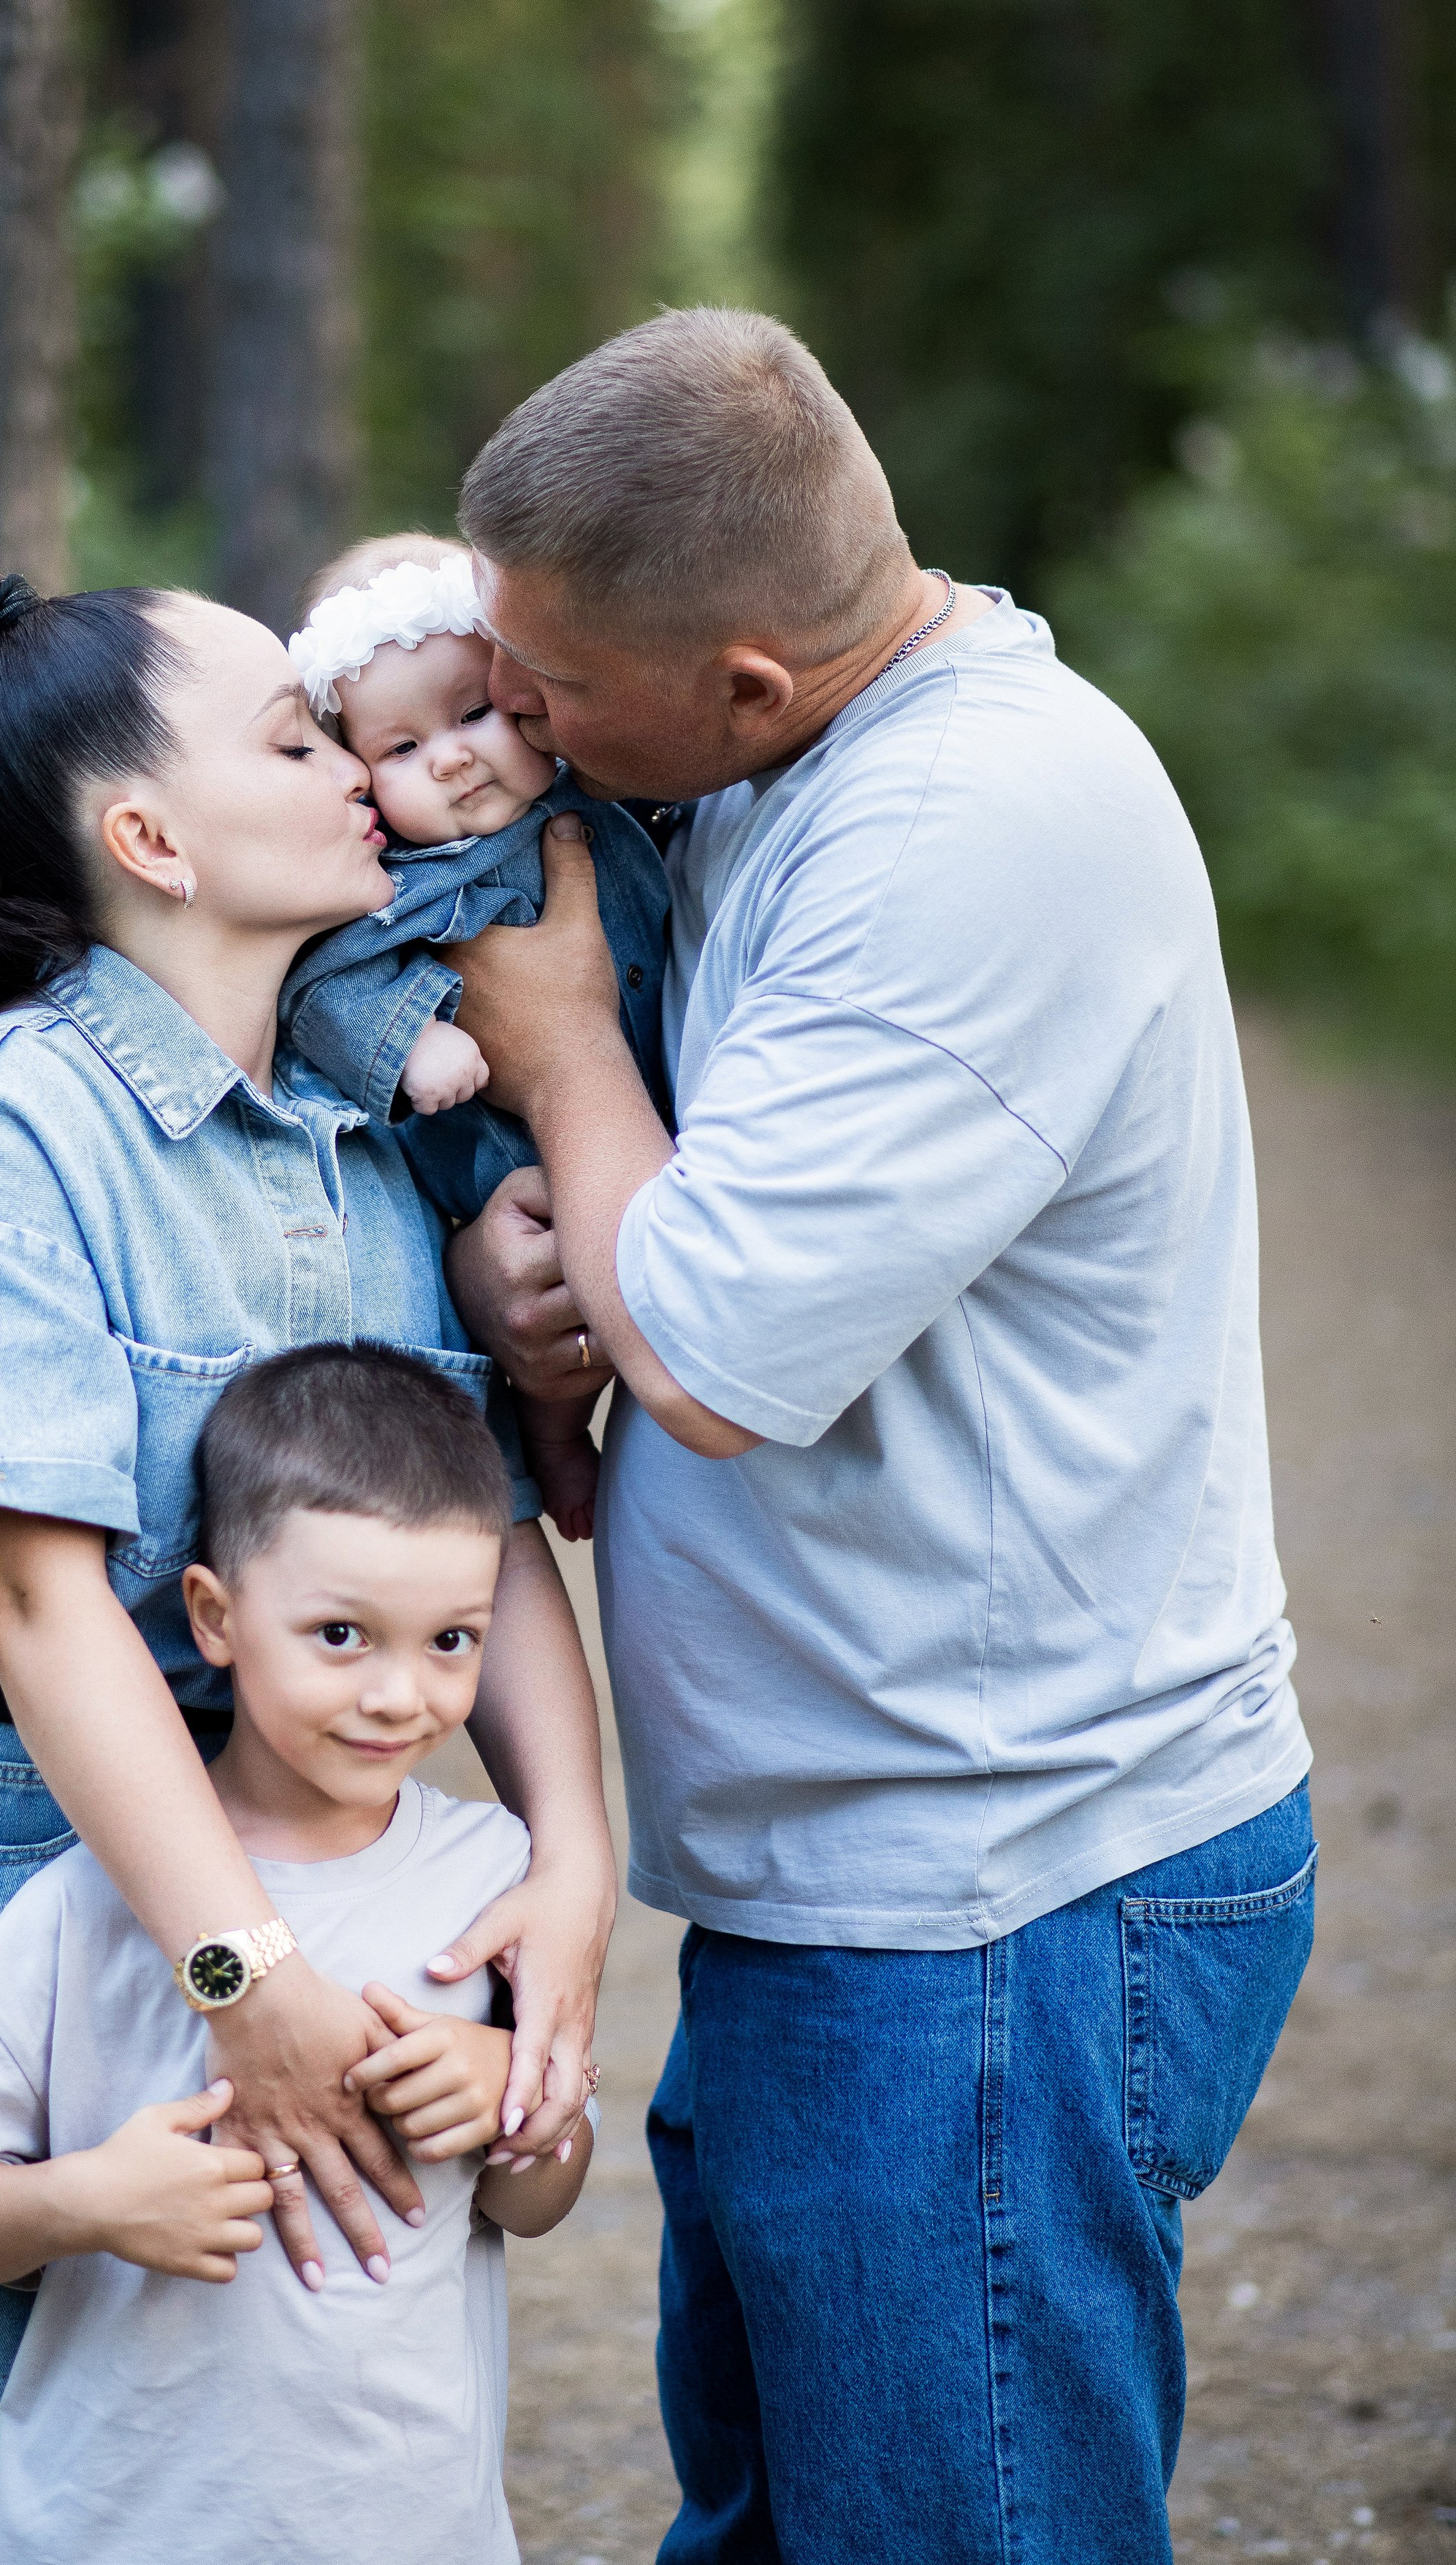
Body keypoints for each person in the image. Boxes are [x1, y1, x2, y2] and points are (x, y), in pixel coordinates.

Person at [441, 308, 1317, 2565]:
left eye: (550, 690)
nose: (515, 725)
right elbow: (691, 1230)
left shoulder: (975, 821)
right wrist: (545, 1263)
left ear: (747, 674)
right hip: (860, 1869)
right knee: (788, 2521)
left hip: (997, 1892)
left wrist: (553, 1057)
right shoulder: (780, 769)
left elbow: (718, 1345)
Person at [0, 570, 614, 2565]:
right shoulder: (3, 1137)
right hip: (11, 1869)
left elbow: (475, 1521)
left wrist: (570, 1863)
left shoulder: (368, 1141)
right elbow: (45, 1607)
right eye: (300, 739)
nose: (358, 765)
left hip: (316, 1828)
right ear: (149, 839)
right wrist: (242, 1971)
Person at [0, 1344, 592, 2565]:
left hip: (409, 2529)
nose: (400, 1696)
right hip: (118, 2529)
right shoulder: (92, 1901)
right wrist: (86, 2201)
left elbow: (537, 2200)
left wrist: (514, 2105)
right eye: (342, 1635)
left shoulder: (491, 1884)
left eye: (453, 1641)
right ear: (215, 1616)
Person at [277, 530, 669, 1540]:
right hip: (505, 1158)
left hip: (648, 1108)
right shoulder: (396, 890)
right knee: (554, 1286)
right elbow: (323, 987)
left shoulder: (597, 796)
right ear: (360, 777)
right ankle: (550, 1438)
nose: (451, 758)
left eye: (476, 713)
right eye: (402, 749)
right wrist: (411, 1043)